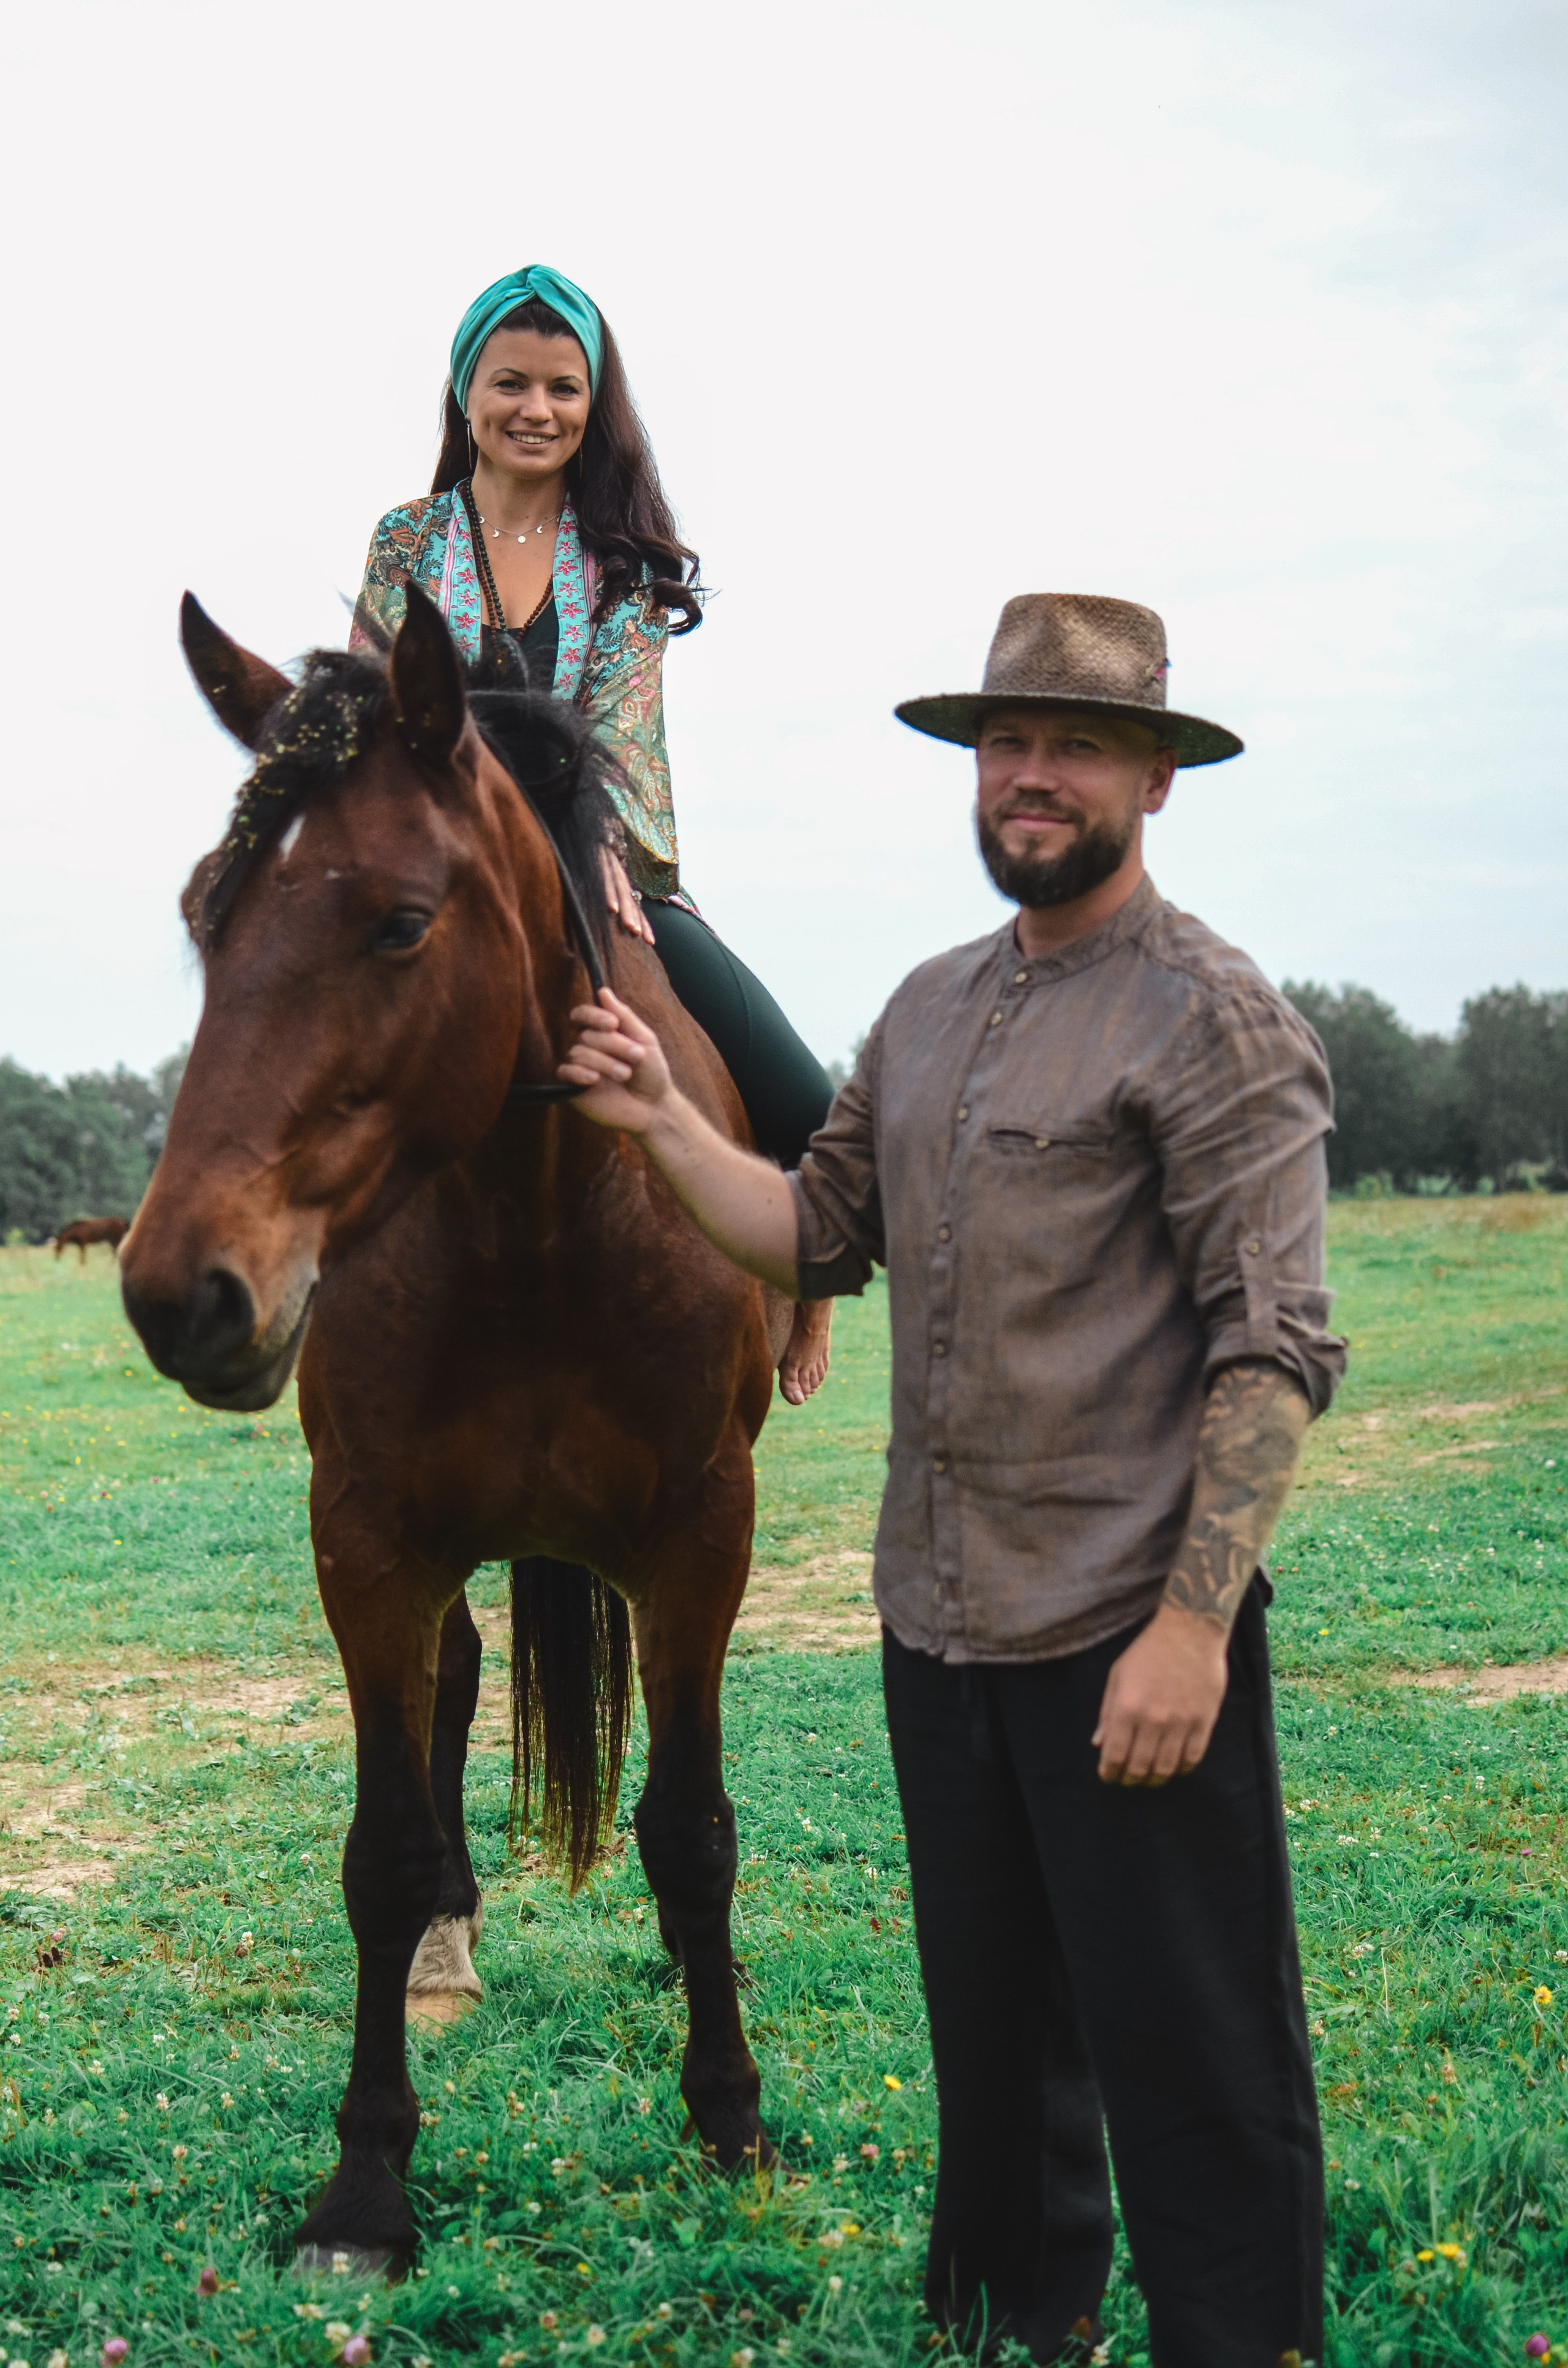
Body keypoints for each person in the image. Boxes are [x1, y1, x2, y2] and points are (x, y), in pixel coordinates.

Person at [556, 593, 1345, 2368]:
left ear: (1156, 774)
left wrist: (1195, 1632)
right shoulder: (924, 1014)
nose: (1031, 775)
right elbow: (816, 1231)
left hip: (1129, 1634)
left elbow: (1274, 1349)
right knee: (996, 2049)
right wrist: (667, 1125)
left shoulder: (1212, 1018)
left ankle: (1244, 2341)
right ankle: (1013, 2327)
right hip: (943, 1632)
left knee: (1197, 2047)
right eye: (1005, 742)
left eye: (1073, 743)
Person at [350, 262, 833, 1401]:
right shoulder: (407, 540)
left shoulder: (621, 560)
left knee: (811, 1104)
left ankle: (808, 1293)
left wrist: (605, 850)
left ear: (592, 403)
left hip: (601, 867)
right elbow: (380, 708)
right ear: (466, 393)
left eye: (564, 388)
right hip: (441, 870)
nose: (537, 409)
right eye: (510, 382)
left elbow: (625, 730)